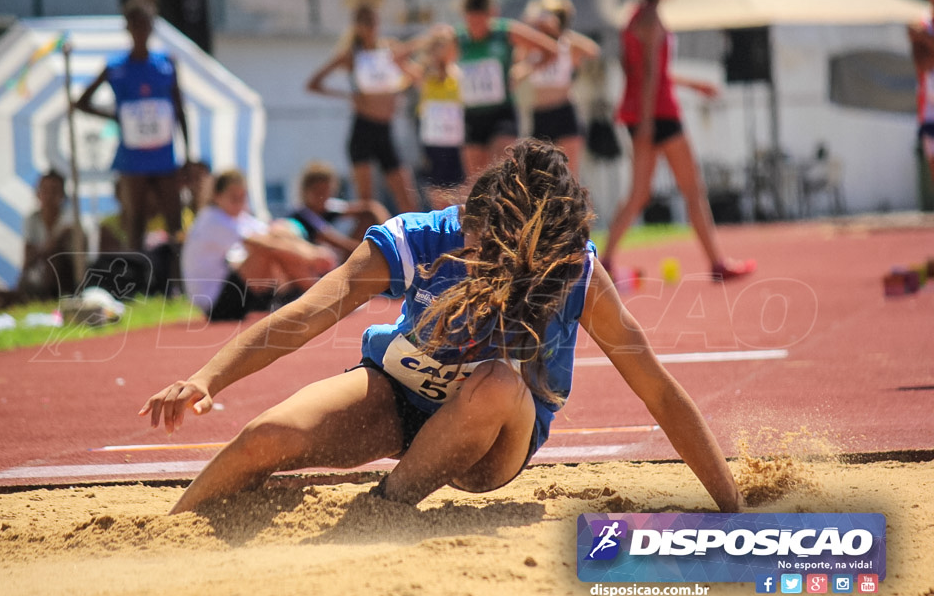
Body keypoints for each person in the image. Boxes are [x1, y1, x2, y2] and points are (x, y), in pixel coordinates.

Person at [140, 139, 744, 515]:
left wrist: (734, 510)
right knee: (264, 439)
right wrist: (207, 377)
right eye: (479, 241)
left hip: (489, 438)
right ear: (471, 214)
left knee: (499, 382)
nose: (483, 259)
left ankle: (384, 508)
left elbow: (658, 390)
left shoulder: (573, 272)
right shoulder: (420, 239)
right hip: (396, 396)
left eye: (503, 255)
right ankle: (172, 528)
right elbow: (305, 313)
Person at [604, 0, 754, 282]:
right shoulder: (652, 20)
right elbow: (648, 76)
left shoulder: (634, 18)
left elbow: (646, 72)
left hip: (642, 113)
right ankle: (717, 263)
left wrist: (692, 84)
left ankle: (604, 261)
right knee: (692, 189)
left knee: (638, 194)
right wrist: (647, 123)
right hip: (659, 115)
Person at [75, 0, 190, 258]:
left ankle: (179, 278)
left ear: (152, 27)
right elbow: (82, 102)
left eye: (145, 25)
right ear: (127, 27)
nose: (141, 30)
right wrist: (115, 115)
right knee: (135, 218)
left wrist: (188, 154)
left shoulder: (167, 64)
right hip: (132, 158)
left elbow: (180, 110)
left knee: (174, 217)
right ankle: (139, 279)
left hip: (164, 155)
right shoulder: (116, 67)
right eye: (135, 25)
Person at [306, 3, 421, 214]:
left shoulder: (390, 49)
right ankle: (362, 245)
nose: (369, 27)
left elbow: (417, 76)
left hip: (386, 131)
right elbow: (313, 83)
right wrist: (348, 96)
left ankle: (414, 244)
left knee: (408, 199)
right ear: (356, 26)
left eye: (373, 21)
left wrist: (401, 64)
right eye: (364, 22)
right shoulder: (352, 55)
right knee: (367, 205)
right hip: (363, 130)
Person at [181, 170, 337, 321]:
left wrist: (309, 249)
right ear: (217, 196)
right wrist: (309, 255)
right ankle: (322, 296)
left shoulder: (236, 217)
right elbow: (263, 243)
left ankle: (313, 293)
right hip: (217, 305)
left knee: (279, 230)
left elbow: (274, 230)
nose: (239, 203)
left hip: (234, 294)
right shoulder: (212, 219)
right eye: (233, 197)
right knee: (266, 249)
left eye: (242, 197)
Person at [451, 0, 559, 178]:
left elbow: (551, 49)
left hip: (502, 113)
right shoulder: (459, 38)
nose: (475, 28)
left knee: (499, 171)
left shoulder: (504, 32)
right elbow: (429, 58)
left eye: (480, 22)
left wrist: (523, 69)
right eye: (471, 22)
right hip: (471, 116)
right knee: (476, 181)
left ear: (491, 15)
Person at [517, 0, 601, 179]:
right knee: (541, 177)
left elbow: (593, 51)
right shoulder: (532, 47)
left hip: (564, 113)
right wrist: (536, 31)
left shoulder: (567, 44)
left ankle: (576, 208)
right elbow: (517, 66)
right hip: (540, 114)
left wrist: (560, 32)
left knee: (570, 176)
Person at [0, 171, 82, 309]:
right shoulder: (32, 220)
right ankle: (24, 296)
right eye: (45, 190)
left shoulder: (70, 218)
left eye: (54, 191)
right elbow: (28, 259)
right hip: (40, 277)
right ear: (38, 193)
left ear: (62, 195)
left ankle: (22, 298)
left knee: (55, 259)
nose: (49, 196)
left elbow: (57, 251)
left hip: (65, 278)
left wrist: (44, 251)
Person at [287, 161, 390, 261]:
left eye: (326, 191)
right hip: (308, 261)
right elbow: (335, 241)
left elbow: (371, 207)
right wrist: (372, 251)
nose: (322, 197)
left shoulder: (329, 206)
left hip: (330, 258)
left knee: (367, 216)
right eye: (317, 191)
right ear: (305, 191)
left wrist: (388, 232)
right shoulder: (302, 215)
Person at [413, 26, 467, 209]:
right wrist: (428, 40)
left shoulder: (459, 75)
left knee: (459, 194)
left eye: (446, 46)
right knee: (436, 194)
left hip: (455, 144)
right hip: (433, 145)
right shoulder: (424, 76)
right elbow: (396, 58)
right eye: (439, 46)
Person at [909, 0, 934, 187]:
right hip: (930, 107)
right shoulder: (920, 24)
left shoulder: (921, 32)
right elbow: (923, 63)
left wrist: (925, 40)